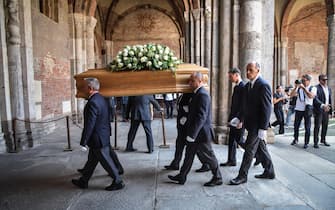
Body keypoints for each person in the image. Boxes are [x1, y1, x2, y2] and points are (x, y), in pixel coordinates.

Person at [168, 72, 222, 187]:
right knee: (189, 155)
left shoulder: (203, 94)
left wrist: (192, 134)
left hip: (201, 134)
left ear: (200, 81)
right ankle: (182, 176)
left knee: (209, 156)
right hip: (195, 133)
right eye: (190, 81)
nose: (190, 83)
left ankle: (218, 177)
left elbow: (201, 117)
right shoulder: (196, 93)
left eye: (192, 81)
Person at [72, 77, 124, 191]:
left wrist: (84, 141)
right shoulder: (101, 98)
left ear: (90, 88)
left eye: (85, 87)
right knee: (91, 161)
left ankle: (118, 181)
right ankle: (83, 181)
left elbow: (90, 124)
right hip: (102, 135)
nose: (83, 89)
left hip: (97, 138)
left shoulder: (92, 102)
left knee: (106, 161)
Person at [230, 61, 275, 185]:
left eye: (251, 70)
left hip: (258, 126)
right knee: (262, 148)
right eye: (247, 70)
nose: (248, 72)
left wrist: (263, 128)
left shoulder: (263, 85)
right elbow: (245, 106)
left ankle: (242, 176)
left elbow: (267, 108)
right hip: (250, 124)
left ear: (258, 70)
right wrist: (239, 118)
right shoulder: (248, 86)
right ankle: (269, 171)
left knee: (249, 150)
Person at [164, 93, 210, 172]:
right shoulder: (183, 95)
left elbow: (193, 111)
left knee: (196, 148)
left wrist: (186, 117)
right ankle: (175, 163)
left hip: (187, 125)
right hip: (182, 125)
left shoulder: (191, 95)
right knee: (179, 145)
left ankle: (206, 164)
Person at [220, 67, 246, 167]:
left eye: (231, 76)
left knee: (240, 140)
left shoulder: (243, 87)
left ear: (236, 75)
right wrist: (230, 119)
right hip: (234, 119)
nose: (230, 79)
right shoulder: (236, 87)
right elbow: (234, 105)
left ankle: (257, 154)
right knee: (231, 140)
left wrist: (242, 120)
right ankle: (231, 160)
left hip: (239, 120)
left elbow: (244, 106)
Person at [290, 74, 317, 149]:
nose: (303, 82)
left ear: (308, 81)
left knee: (307, 127)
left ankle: (306, 142)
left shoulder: (313, 88)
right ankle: (295, 139)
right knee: (296, 126)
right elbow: (291, 95)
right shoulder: (299, 88)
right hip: (299, 109)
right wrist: (296, 87)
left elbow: (311, 96)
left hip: (307, 109)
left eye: (304, 80)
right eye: (302, 80)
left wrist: (304, 88)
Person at [313, 74, 332, 148]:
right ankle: (315, 142)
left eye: (326, 80)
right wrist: (323, 105)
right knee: (317, 126)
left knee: (325, 126)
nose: (325, 81)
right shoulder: (316, 88)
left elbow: (329, 99)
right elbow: (315, 99)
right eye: (324, 80)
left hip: (327, 109)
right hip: (319, 110)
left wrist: (330, 110)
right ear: (320, 80)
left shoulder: (328, 88)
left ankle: (323, 140)